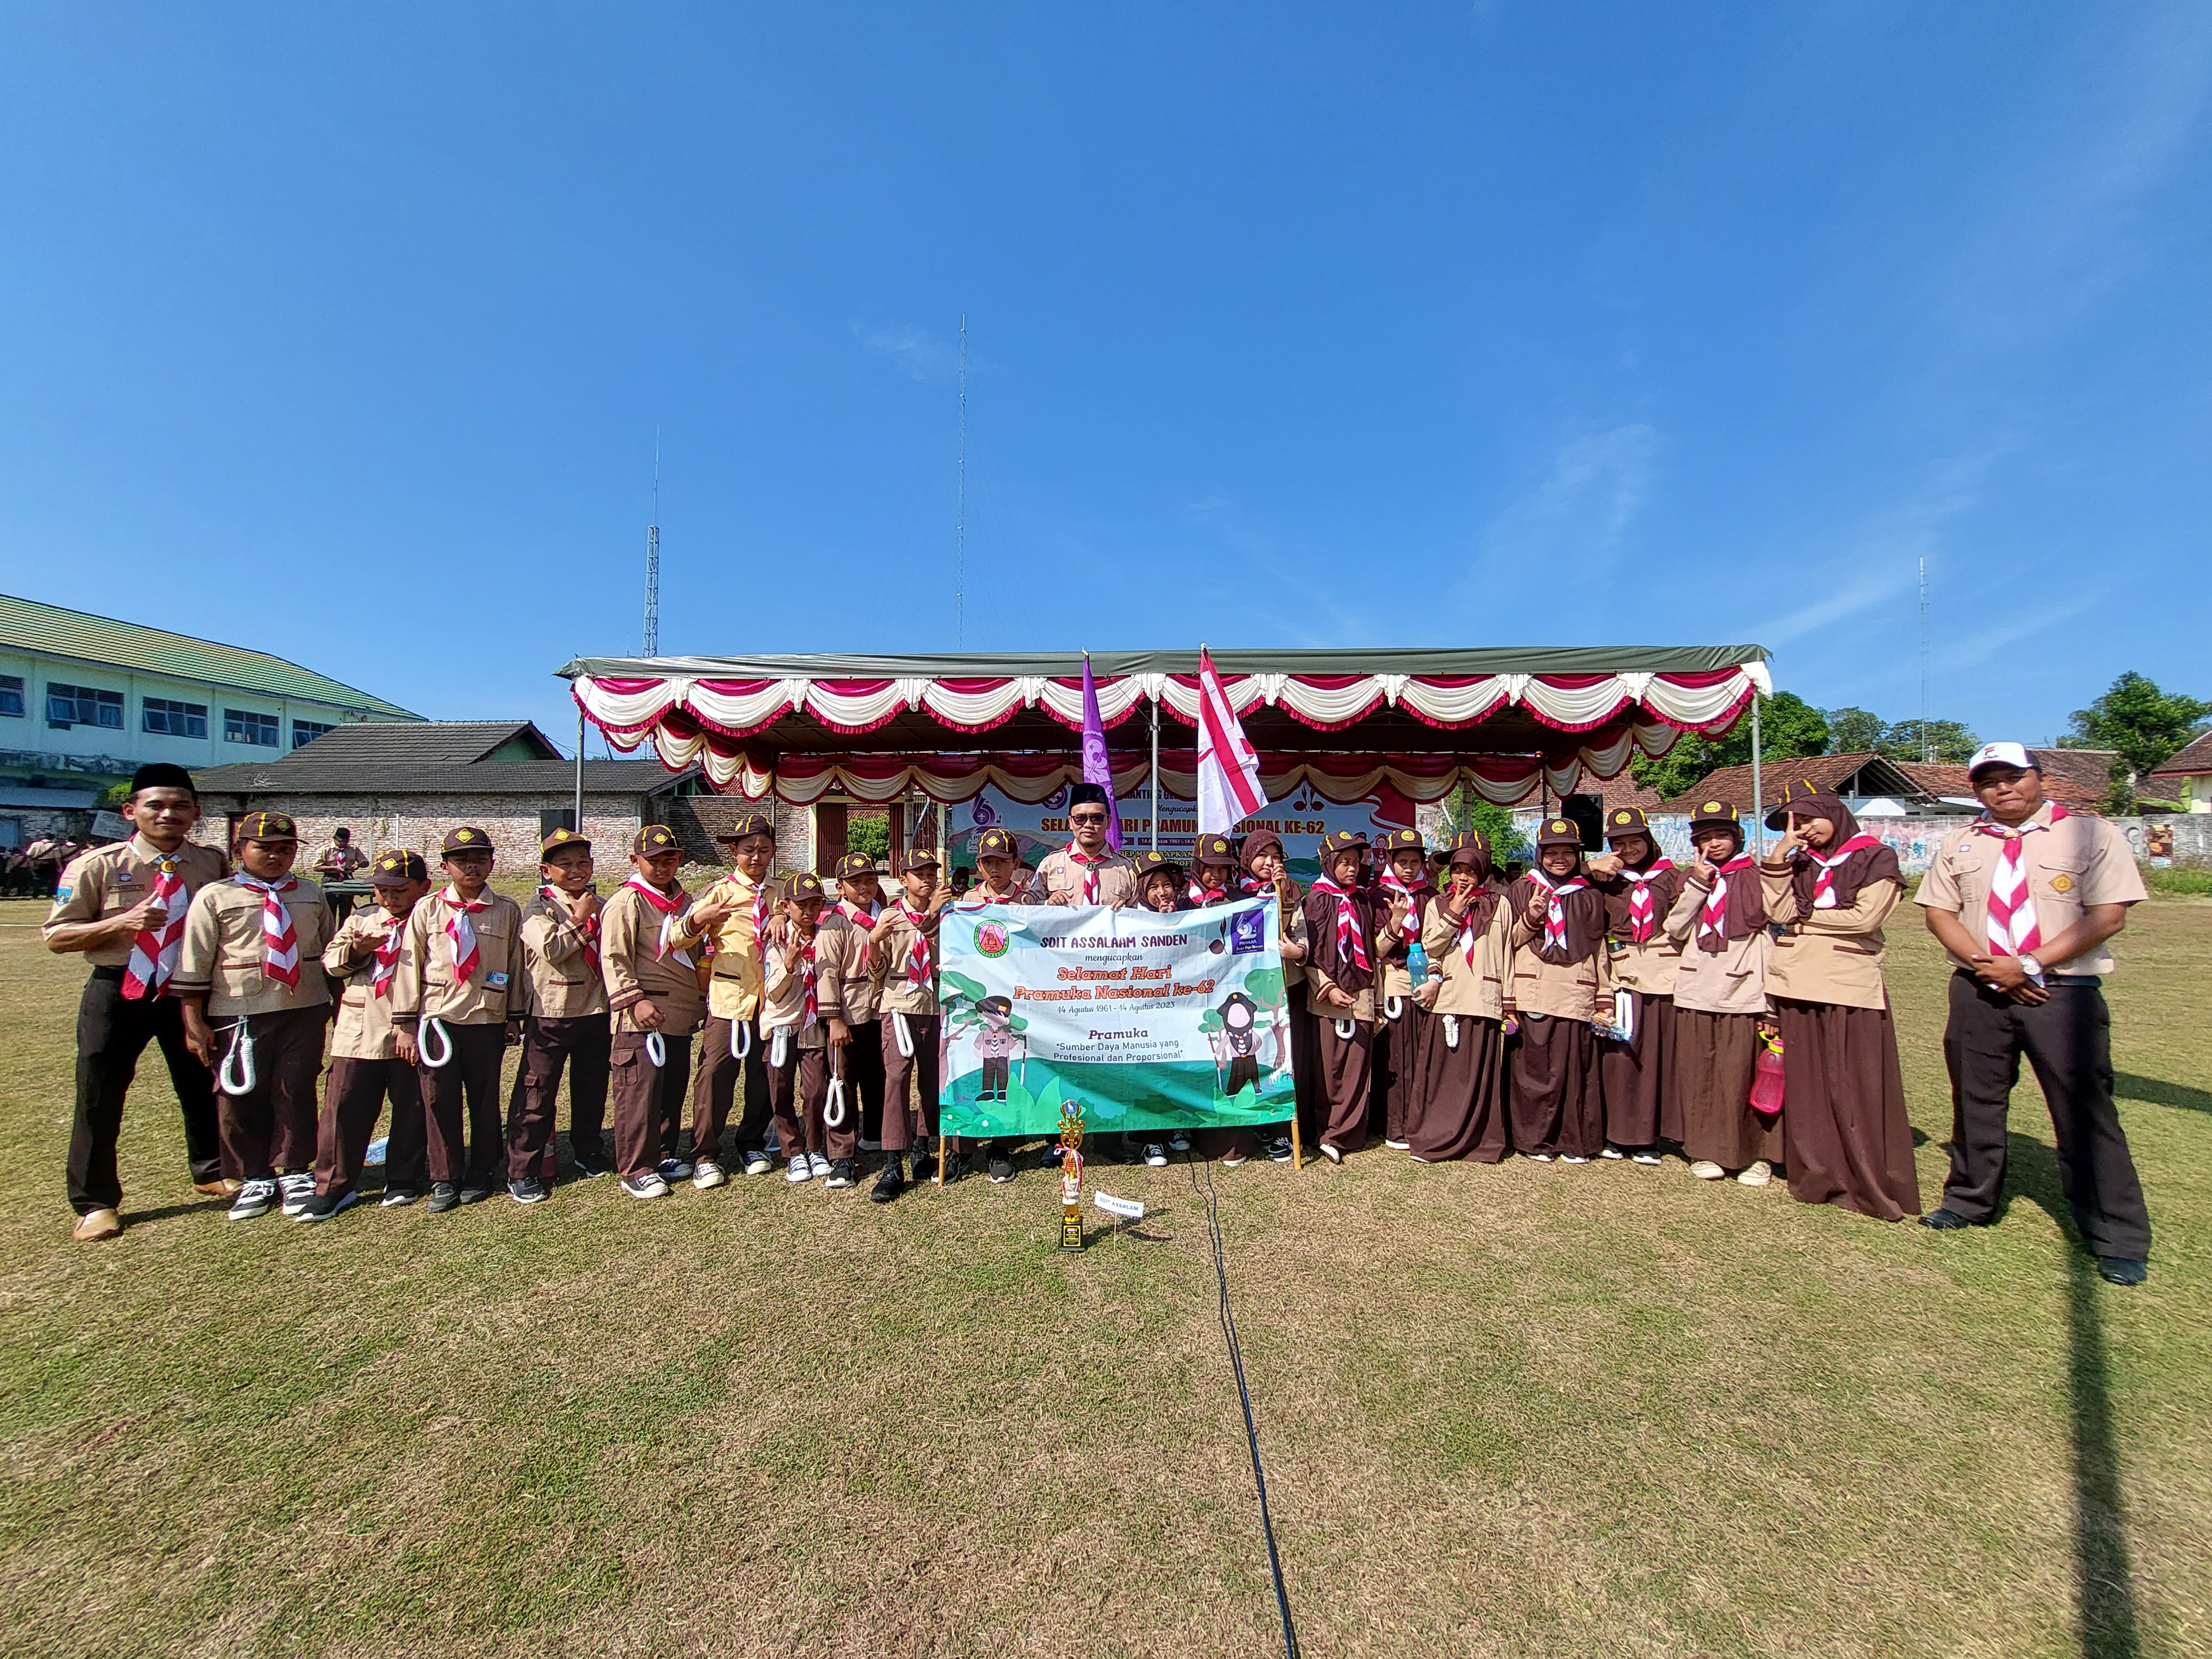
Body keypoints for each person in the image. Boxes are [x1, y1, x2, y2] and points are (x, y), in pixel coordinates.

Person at [1914, 743, 2153, 1284]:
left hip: (2061, 992)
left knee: (2083, 1109)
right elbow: (1939, 912)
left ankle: (2115, 1234)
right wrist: (1992, 969)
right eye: (1988, 781)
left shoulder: (2090, 834)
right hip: (1978, 989)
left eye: (2013, 776)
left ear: (2039, 777)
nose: (2002, 788)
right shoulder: (1961, 841)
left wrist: (2028, 964)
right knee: (1975, 1100)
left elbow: (2109, 915)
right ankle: (1969, 1199)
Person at [43, 762, 232, 1241]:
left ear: (196, 812)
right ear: (131, 811)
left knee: (202, 1082)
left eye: (180, 806)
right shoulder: (97, 865)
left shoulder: (211, 863)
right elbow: (57, 936)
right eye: (156, 805)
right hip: (119, 989)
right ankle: (95, 1202)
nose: (168, 814)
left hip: (186, 991)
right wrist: (120, 923)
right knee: (99, 1093)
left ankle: (212, 1169)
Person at [1759, 782, 1919, 1221]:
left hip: (1848, 984)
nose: (1802, 830)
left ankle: (1867, 1177)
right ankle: (1819, 1174)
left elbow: (1865, 918)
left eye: (1808, 819)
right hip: (1796, 981)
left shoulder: (1875, 857)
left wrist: (1803, 922)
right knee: (1808, 1086)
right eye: (1792, 823)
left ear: (1834, 812)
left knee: (1855, 1084)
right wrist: (1778, 858)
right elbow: (1777, 913)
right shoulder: (1797, 863)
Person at [174, 811, 334, 1221]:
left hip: (302, 1007)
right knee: (240, 1094)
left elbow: (328, 950)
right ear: (239, 850)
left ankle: (295, 1169)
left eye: (285, 848)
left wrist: (336, 1007)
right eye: (264, 848)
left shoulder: (310, 893)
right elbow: (194, 963)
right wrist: (194, 1022)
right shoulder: (216, 896)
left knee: (295, 1089)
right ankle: (255, 1175)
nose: (276, 856)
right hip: (239, 1011)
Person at [390, 827, 527, 1213]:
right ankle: (444, 1176)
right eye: (462, 860)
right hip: (438, 1020)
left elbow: (515, 965)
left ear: (492, 863)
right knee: (438, 1099)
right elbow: (409, 966)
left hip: (485, 1017)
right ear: (445, 866)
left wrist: (513, 1017)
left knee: (484, 1099)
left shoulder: (506, 910)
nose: (472, 867)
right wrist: (405, 1023)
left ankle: (482, 1170)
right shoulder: (427, 909)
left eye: (480, 859)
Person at [301, 849, 431, 1219]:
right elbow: (331, 963)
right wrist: (358, 950)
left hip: (411, 1023)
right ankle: (333, 1185)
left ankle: (404, 1176)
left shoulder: (431, 918)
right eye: (382, 890)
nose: (390, 899)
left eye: (400, 891)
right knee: (344, 1105)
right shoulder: (362, 919)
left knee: (413, 1103)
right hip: (361, 1026)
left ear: (423, 887)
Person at [1663, 802, 1780, 1185]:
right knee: (1701, 1074)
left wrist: (1772, 1004)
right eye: (1706, 838)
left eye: (1722, 836)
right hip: (1696, 988)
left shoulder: (1757, 878)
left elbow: (1771, 939)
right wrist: (1699, 884)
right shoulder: (1690, 879)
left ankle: (1753, 1154)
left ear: (1737, 838)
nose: (1714, 844)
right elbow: (1675, 928)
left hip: (1743, 990)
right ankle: (1705, 1149)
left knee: (1740, 1074)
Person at [597, 825, 707, 1199]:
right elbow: (614, 958)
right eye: (653, 860)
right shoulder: (626, 902)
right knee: (638, 1093)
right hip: (641, 1014)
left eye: (669, 859)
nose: (662, 867)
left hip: (678, 1012)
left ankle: (661, 1154)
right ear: (635, 860)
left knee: (670, 1088)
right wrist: (634, 1000)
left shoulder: (685, 902)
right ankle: (635, 1168)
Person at [505, 827, 611, 1201]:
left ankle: (589, 1150)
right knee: (537, 1092)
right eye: (565, 864)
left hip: (597, 1009)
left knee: (592, 1088)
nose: (576, 870)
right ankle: (523, 1169)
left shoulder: (602, 903)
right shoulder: (539, 908)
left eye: (583, 862)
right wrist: (580, 918)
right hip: (552, 1011)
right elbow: (553, 949)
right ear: (546, 871)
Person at [674, 814, 777, 1184]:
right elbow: (677, 939)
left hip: (771, 1002)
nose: (756, 857)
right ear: (734, 852)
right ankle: (705, 1153)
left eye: (763, 850)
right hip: (729, 999)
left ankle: (752, 1142)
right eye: (748, 850)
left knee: (765, 1074)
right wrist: (699, 918)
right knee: (715, 1073)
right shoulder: (719, 892)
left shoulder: (781, 892)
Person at [1505, 817, 1612, 1163]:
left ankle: (1573, 1141)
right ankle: (1535, 1141)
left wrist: (1605, 995)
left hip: (1575, 990)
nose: (1560, 859)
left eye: (1568, 852)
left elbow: (1598, 947)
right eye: (1552, 853)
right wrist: (1532, 917)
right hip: (1533, 989)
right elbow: (1507, 943)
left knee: (1575, 1070)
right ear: (1540, 855)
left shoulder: (1590, 894)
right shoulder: (1521, 889)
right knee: (1535, 1071)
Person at [1587, 805, 1683, 1165]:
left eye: (1635, 842)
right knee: (1621, 1059)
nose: (1628, 850)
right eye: (1619, 844)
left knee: (1658, 1059)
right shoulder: (1606, 879)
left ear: (1648, 839)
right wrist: (1591, 866)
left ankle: (1649, 1138)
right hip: (1622, 977)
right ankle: (1618, 1133)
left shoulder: (1671, 877)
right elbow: (1561, 877)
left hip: (1665, 979)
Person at [1410, 832, 1511, 1163]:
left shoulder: (1500, 904)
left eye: (1470, 870)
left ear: (1483, 872)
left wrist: (1509, 1002)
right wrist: (1453, 913)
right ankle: (1437, 1136)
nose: (1463, 877)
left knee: (1478, 1075)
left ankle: (1480, 1141)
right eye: (1457, 870)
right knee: (1444, 1075)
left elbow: (1508, 953)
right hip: (1448, 997)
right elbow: (1430, 947)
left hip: (1484, 997)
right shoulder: (1437, 904)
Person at [760, 871, 849, 1186]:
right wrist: (789, 964)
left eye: (815, 904)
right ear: (786, 906)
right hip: (783, 1025)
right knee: (780, 1089)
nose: (809, 911)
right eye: (802, 905)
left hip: (813, 1027)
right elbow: (772, 992)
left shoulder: (825, 936)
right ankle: (793, 1150)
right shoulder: (777, 938)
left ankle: (814, 1147)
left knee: (815, 1090)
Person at [871, 846, 955, 1178]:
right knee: (897, 1078)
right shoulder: (890, 917)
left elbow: (946, 957)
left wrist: (933, 917)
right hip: (899, 1004)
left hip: (936, 1002)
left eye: (931, 874)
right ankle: (893, 1160)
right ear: (903, 879)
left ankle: (923, 1145)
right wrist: (874, 942)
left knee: (932, 1079)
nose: (926, 880)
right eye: (918, 874)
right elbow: (876, 970)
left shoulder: (947, 915)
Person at [954, 833, 1035, 1177]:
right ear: (978, 865)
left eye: (1002, 861)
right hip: (975, 996)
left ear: (1016, 863)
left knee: (1006, 1069)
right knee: (964, 1064)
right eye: (988, 862)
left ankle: (1001, 1147)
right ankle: (961, 1148)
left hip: (1014, 998)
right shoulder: (965, 903)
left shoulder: (1029, 903)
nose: (995, 868)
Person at [1302, 828, 1384, 1163]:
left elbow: (1373, 951)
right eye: (1345, 862)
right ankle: (1324, 1130)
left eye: (1356, 862)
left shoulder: (1363, 900)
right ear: (1329, 862)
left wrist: (1394, 926)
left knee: (1356, 1068)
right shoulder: (1315, 900)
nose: (1352, 868)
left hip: (1361, 991)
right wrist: (1328, 987)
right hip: (1326, 995)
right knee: (1329, 1067)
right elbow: (1307, 954)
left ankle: (1346, 1133)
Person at [1241, 830, 1311, 1165]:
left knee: (1285, 1056)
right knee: (1256, 1056)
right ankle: (1258, 1122)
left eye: (1276, 856)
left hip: (1286, 986)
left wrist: (1297, 949)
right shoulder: (1236, 892)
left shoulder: (1292, 891)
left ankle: (1284, 1127)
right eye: (1262, 856)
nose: (1270, 863)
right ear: (1248, 859)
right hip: (1248, 991)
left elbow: (1300, 933)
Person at [1370, 826, 1437, 1154]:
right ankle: (1392, 1124)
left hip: (1427, 982)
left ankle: (1420, 1120)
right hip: (1393, 979)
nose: (1408, 868)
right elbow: (1373, 951)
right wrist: (1395, 923)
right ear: (1390, 861)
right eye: (1402, 861)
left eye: (1415, 861)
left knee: (1423, 1053)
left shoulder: (1431, 896)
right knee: (1395, 1055)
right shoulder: (1376, 896)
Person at [1124, 848, 1191, 1167]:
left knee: (1176, 1064)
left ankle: (1178, 1124)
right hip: (1142, 1008)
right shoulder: (1127, 918)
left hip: (1178, 1005)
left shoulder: (1189, 912)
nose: (1161, 892)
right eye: (1153, 887)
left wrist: (1173, 920)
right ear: (1141, 889)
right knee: (1147, 1071)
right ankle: (1151, 1139)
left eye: (1166, 884)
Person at [828, 851, 888, 1151]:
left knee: (878, 1074)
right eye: (855, 882)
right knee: (844, 1078)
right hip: (848, 1009)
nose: (864, 887)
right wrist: (833, 1018)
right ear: (841, 887)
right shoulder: (835, 923)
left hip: (881, 1008)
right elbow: (826, 973)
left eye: (870, 879)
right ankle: (842, 1148)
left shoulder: (886, 916)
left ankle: (875, 1133)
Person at [1026, 782, 1138, 906]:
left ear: (1109, 822)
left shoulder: (1127, 869)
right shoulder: (1050, 864)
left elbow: (1140, 913)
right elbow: (1029, 906)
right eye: (1080, 818)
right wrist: (1048, 903)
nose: (1088, 825)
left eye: (1097, 818)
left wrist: (1127, 913)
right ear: (1070, 823)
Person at [312, 827, 368, 925]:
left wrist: (358, 865)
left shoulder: (353, 849)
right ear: (335, 839)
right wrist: (335, 868)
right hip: (331, 880)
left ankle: (343, 931)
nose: (343, 844)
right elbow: (316, 867)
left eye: (346, 842)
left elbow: (366, 862)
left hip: (347, 880)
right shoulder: (326, 849)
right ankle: (330, 932)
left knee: (346, 911)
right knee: (330, 912)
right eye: (341, 841)